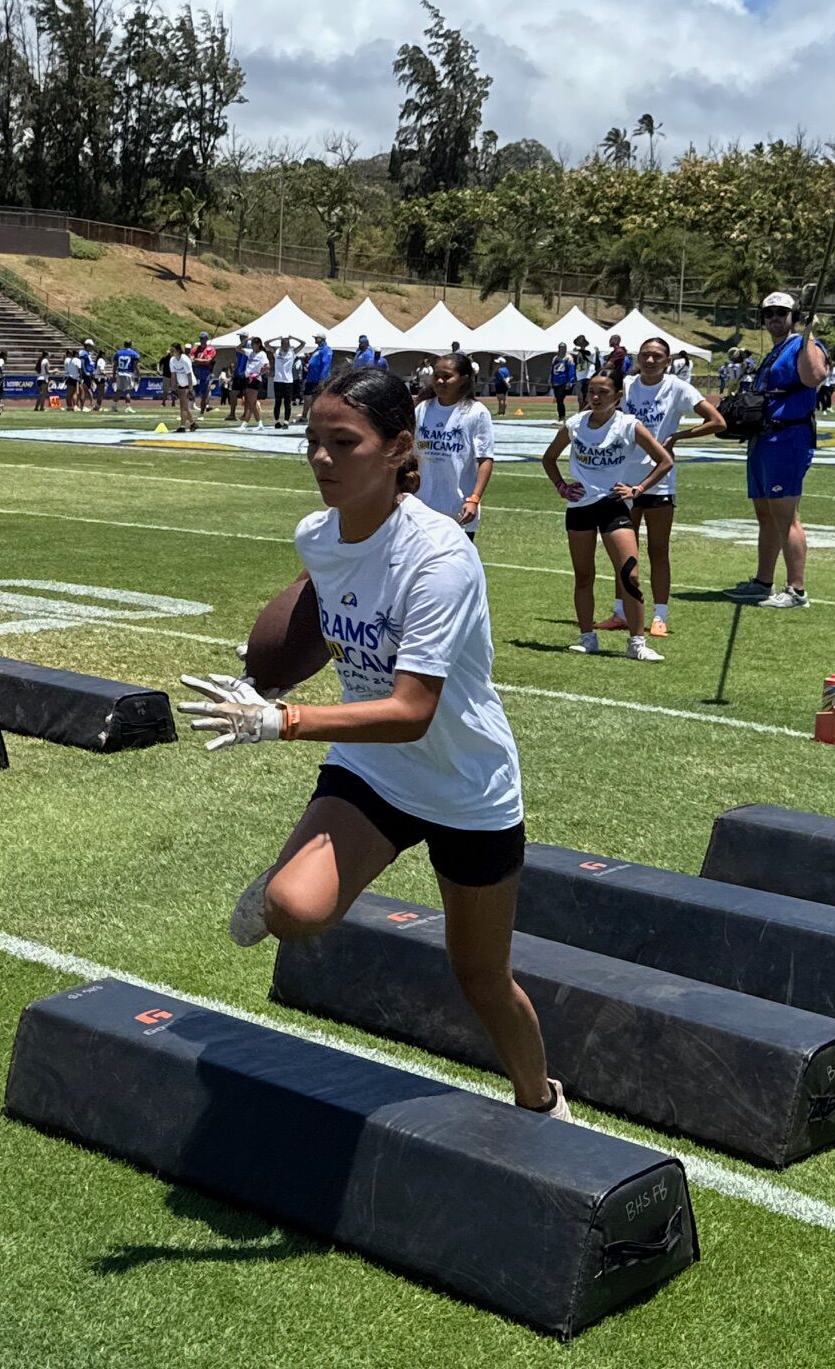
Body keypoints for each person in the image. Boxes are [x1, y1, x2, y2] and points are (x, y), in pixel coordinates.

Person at [175, 365, 569, 1121]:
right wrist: (271, 680)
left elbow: (412, 709)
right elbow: (329, 622)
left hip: (467, 786)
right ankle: (283, 877)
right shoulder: (315, 537)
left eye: (343, 443)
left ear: (397, 448)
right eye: (313, 442)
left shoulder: (441, 556)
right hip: (372, 770)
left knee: (481, 977)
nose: (323, 459)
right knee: (294, 910)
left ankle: (541, 1101)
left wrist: (282, 722)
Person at [597, 336, 726, 637]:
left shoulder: (678, 388)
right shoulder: (627, 386)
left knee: (658, 550)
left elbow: (717, 421)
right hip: (623, 479)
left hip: (659, 480)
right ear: (637, 358)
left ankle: (660, 615)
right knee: (624, 552)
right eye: (645, 355)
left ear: (668, 361)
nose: (651, 360)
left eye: (657, 356)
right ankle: (621, 612)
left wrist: (678, 437)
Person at [542, 367, 672, 660]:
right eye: (592, 392)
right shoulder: (575, 425)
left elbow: (664, 461)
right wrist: (562, 486)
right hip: (580, 508)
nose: (597, 397)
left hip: (613, 505)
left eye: (604, 392)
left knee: (630, 574)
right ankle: (587, 637)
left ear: (618, 396)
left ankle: (637, 643)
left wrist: (638, 489)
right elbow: (548, 458)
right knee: (584, 575)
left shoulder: (628, 425)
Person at [724, 291, 827, 611]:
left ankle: (796, 589)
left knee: (786, 517)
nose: (774, 319)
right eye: (769, 314)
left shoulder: (802, 345)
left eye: (782, 313)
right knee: (765, 515)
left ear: (794, 317)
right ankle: (763, 581)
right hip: (762, 437)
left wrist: (809, 337)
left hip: (787, 437)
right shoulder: (774, 351)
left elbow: (814, 377)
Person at [414, 356, 495, 539]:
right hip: (422, 507)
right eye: (436, 376)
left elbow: (485, 459)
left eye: (447, 376)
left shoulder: (476, 412)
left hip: (457, 510)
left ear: (464, 379)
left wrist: (474, 499)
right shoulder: (422, 409)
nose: (440, 381)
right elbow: (414, 453)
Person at [271, 337, 301, 429]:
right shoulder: (276, 352)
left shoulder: (292, 353)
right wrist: (276, 338)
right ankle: (276, 422)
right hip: (278, 380)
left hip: (288, 381)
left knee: (287, 403)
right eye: (284, 345)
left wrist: (293, 338)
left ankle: (286, 422)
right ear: (281, 345)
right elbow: (266, 344)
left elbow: (303, 344)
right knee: (277, 402)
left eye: (287, 345)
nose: (286, 347)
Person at [168, 343, 198, 432]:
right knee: (184, 406)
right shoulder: (172, 360)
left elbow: (189, 375)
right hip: (181, 384)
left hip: (189, 384)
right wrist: (173, 389)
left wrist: (190, 390)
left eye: (173, 350)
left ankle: (182, 426)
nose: (171, 352)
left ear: (178, 350)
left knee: (183, 407)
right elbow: (173, 376)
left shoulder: (185, 360)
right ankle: (193, 424)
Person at [548, 342, 575, 421]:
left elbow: (571, 370)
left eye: (564, 348)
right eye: (561, 348)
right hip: (556, 381)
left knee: (560, 398)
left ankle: (562, 416)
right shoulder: (555, 358)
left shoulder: (568, 358)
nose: (562, 349)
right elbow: (552, 369)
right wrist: (550, 379)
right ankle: (560, 416)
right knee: (558, 400)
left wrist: (570, 381)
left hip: (564, 381)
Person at [113, 340, 140, 414]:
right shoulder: (133, 354)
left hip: (120, 373)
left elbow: (115, 365)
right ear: (131, 345)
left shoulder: (118, 353)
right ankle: (128, 407)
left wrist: (113, 375)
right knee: (128, 391)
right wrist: (138, 374)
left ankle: (114, 406)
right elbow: (136, 365)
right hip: (128, 373)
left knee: (119, 390)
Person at [573, 337, 596, 407]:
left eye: (579, 344)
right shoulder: (580, 351)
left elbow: (588, 354)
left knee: (587, 395)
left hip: (588, 375)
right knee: (580, 396)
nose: (579, 346)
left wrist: (580, 350)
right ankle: (581, 409)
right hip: (580, 375)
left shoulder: (591, 349)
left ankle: (587, 410)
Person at [63, 342, 84, 412]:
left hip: (70, 377)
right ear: (76, 354)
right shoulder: (77, 360)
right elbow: (79, 370)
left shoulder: (71, 360)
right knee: (73, 393)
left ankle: (69, 406)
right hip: (74, 378)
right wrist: (81, 378)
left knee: (69, 393)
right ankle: (74, 406)